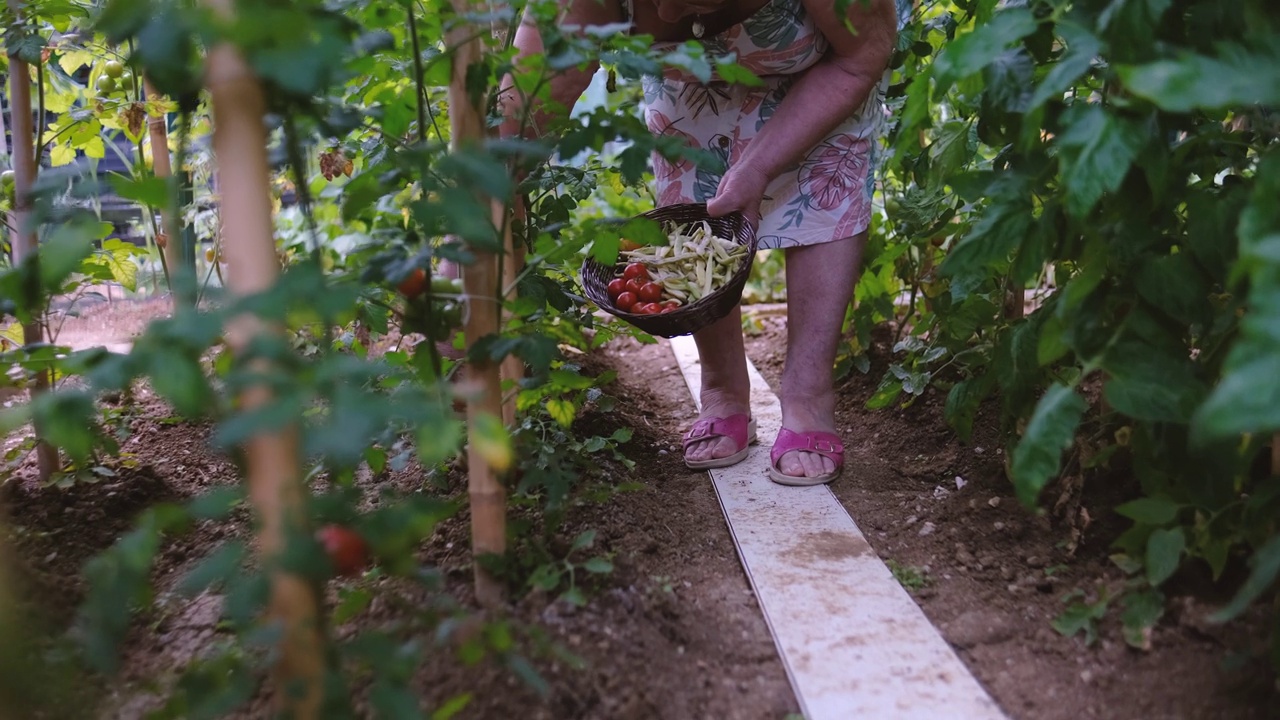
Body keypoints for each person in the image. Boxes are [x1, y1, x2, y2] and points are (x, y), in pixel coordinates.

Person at [502, 0, 900, 485]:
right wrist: (470, 264)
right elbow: (516, 127)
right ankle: (722, 390)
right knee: (693, 185)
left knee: (824, 189)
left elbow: (861, 55)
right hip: (688, 83)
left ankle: (809, 398)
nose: (668, 12)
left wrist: (757, 167)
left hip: (829, 60)